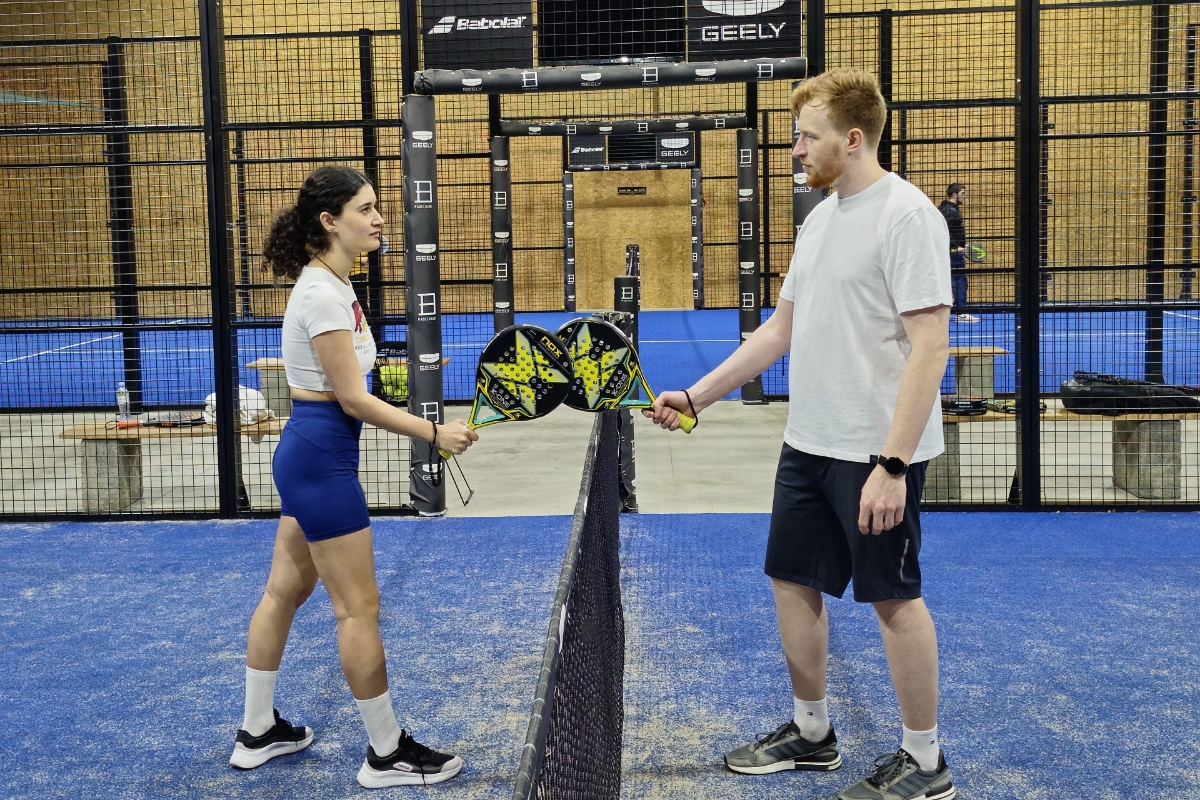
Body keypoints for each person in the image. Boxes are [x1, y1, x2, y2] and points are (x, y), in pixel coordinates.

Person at [647, 69, 956, 800]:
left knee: (892, 597)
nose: (795, 150)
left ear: (853, 140)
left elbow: (930, 347)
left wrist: (892, 462)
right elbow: (779, 331)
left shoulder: (907, 217)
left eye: (806, 137)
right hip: (810, 441)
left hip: (875, 452)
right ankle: (813, 734)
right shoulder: (820, 219)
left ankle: (925, 761)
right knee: (792, 580)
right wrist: (697, 397)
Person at [229, 166, 477, 788]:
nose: (379, 218)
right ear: (329, 221)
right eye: (365, 209)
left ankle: (257, 732)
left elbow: (352, 378)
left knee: (284, 593)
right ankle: (385, 752)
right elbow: (354, 400)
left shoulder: (336, 285)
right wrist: (434, 434)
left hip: (310, 457)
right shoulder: (321, 294)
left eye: (377, 207)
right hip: (320, 461)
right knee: (358, 609)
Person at [938, 183, 977, 323]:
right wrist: (956, 246)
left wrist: (963, 244)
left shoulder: (949, 209)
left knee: (956, 280)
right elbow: (943, 230)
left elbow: (954, 231)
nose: (964, 196)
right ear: (954, 194)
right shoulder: (949, 210)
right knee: (959, 281)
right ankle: (961, 312)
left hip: (953, 250)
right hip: (952, 252)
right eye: (962, 193)